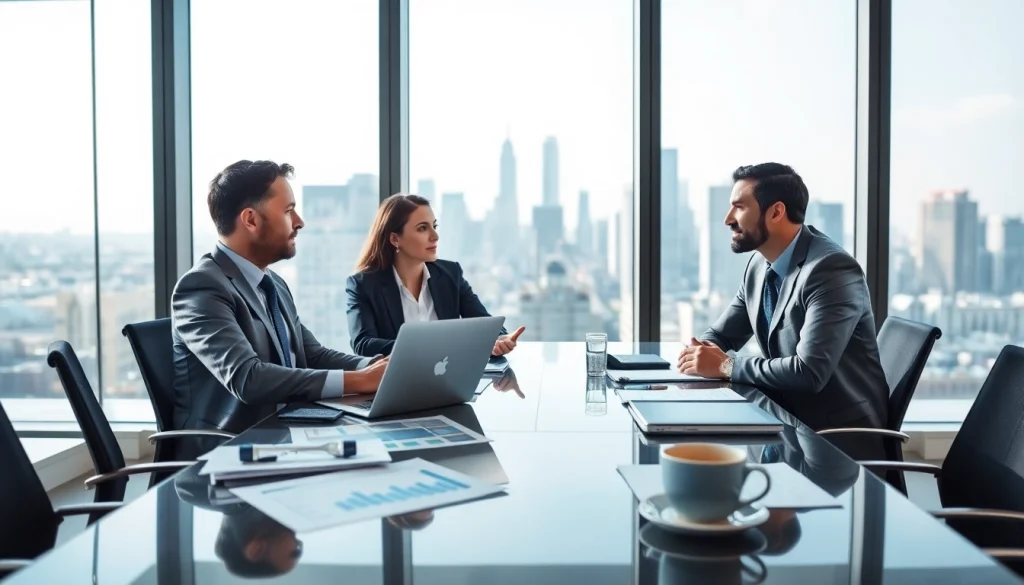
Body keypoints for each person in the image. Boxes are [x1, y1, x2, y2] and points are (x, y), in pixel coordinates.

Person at [171, 160, 388, 454]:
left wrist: (376, 367)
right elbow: (248, 378)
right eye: (288, 211)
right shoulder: (201, 287)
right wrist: (359, 380)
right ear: (250, 219)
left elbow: (311, 354)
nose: (299, 221)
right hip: (232, 451)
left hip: (288, 435)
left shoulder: (272, 283)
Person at [677, 162, 888, 432]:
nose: (728, 219)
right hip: (784, 420)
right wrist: (699, 353)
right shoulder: (758, 265)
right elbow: (722, 335)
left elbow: (809, 372)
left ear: (776, 212)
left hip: (835, 438)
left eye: (740, 207)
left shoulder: (830, 270)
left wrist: (726, 366)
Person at [346, 193, 525, 357]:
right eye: (423, 228)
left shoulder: (450, 274)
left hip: (450, 376)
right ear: (395, 239)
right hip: (398, 381)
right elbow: (363, 344)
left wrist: (500, 339)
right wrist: (429, 346)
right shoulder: (363, 284)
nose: (435, 236)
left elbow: (485, 324)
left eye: (434, 226)